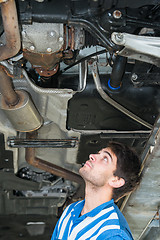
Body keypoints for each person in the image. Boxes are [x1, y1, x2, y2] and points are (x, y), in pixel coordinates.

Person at [51, 141, 142, 240]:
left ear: (116, 181)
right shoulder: (71, 210)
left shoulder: (113, 234)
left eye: (105, 159)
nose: (92, 156)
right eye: (98, 154)